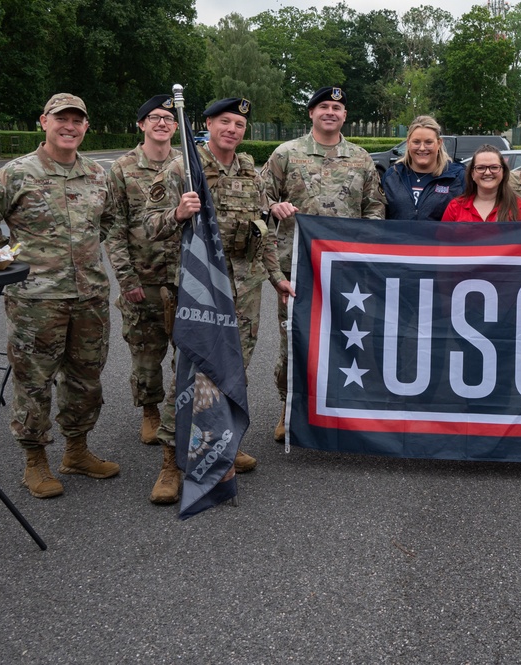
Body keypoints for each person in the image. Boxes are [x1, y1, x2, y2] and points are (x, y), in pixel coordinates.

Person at [0, 93, 119, 499]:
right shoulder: (15, 174)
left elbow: (110, 221)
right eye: (61, 119)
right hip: (37, 301)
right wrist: (12, 263)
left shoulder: (98, 175)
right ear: (43, 122)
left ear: (86, 127)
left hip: (89, 296)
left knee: (86, 378)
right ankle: (35, 460)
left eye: (77, 120)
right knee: (34, 382)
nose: (69, 126)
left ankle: (77, 451)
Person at [144, 97, 291, 504]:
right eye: (224, 121)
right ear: (207, 123)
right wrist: (176, 214)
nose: (232, 129)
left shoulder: (250, 170)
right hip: (201, 294)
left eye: (240, 124)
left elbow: (263, 231)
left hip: (244, 294)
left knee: (231, 373)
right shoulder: (183, 169)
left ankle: (221, 446)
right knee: (190, 375)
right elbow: (147, 224)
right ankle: (172, 464)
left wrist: (277, 278)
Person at [261, 85, 386, 442]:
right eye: (323, 107)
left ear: (345, 116)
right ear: (311, 113)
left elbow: (375, 207)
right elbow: (262, 194)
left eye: (337, 107)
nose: (330, 112)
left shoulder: (360, 159)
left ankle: (347, 407)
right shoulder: (286, 154)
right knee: (294, 339)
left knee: (350, 338)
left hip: (347, 270)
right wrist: (274, 207)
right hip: (296, 266)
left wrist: (363, 237)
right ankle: (289, 409)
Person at [103, 95, 181, 446]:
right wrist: (126, 277)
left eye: (168, 118)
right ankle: (150, 411)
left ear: (176, 126)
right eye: (154, 117)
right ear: (141, 124)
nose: (162, 123)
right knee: (146, 354)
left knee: (190, 351)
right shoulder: (122, 169)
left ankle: (181, 411)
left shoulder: (187, 165)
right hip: (144, 278)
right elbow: (114, 228)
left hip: (184, 275)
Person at [382, 115, 465, 221]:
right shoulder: (392, 176)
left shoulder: (457, 177)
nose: (422, 148)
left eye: (428, 142)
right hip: (399, 238)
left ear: (439, 143)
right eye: (416, 142)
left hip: (439, 238)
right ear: (408, 143)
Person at [441, 145, 521, 222]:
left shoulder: (520, 207)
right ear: (472, 174)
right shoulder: (455, 206)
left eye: (494, 167)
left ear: (503, 172)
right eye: (480, 168)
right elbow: (443, 243)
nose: (487, 172)